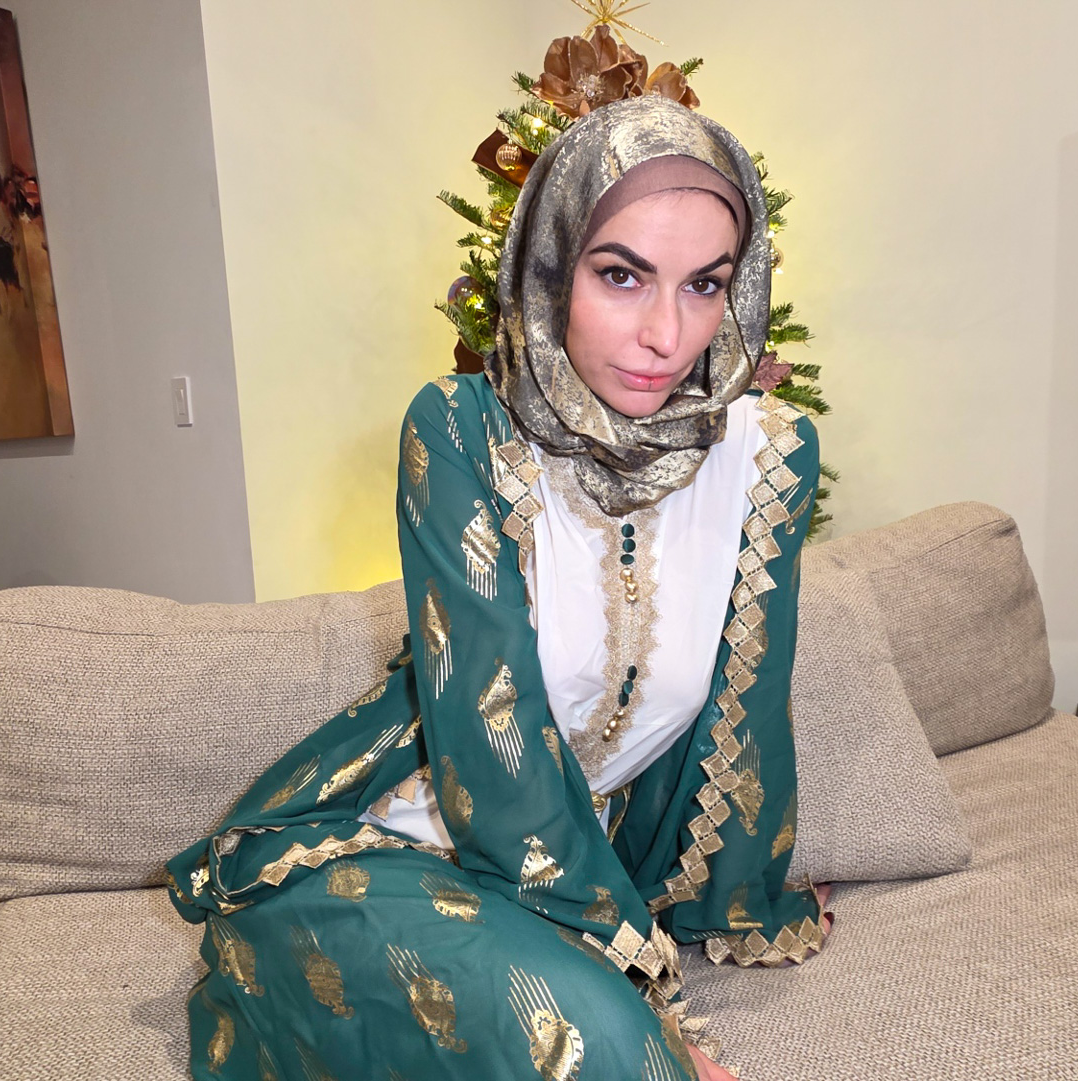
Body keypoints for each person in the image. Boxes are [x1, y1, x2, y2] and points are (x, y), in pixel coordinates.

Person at [165, 94, 830, 1081]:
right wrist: (635, 986)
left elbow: (749, 718)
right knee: (601, 1045)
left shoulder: (764, 458)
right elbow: (493, 737)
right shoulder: (461, 429)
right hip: (387, 844)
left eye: (705, 285)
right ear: (551, 266)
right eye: (621, 275)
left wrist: (743, 898)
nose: (666, 333)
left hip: (567, 866)